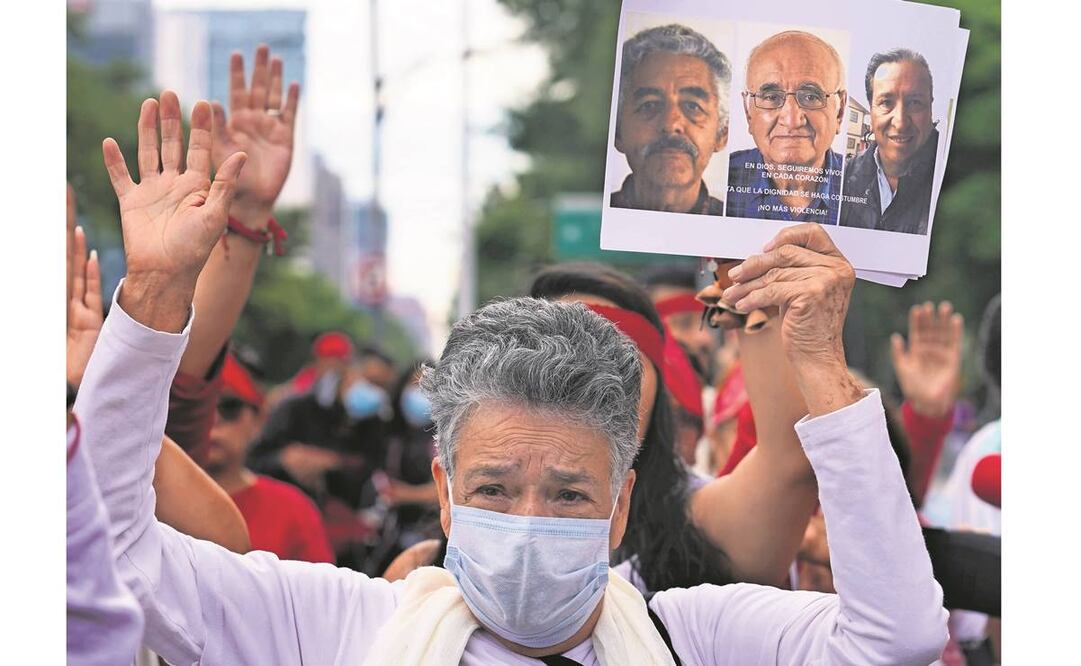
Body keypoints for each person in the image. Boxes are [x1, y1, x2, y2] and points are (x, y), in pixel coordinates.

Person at [77, 111, 948, 664]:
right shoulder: (339, 625)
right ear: (444, 493)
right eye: (494, 489)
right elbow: (115, 553)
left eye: (568, 494)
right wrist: (152, 297)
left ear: (620, 505)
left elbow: (896, 638)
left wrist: (820, 362)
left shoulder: (698, 637)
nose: (529, 522)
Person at [202, 353, 335, 563]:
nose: (213, 418)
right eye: (198, 404)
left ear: (259, 419)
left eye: (229, 406)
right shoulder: (149, 499)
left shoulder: (293, 511)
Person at [726, 31, 847, 224]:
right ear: (748, 112)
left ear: (840, 111)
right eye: (771, 97)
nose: (792, 120)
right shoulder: (724, 181)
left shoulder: (867, 189)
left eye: (811, 97)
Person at [611, 24, 731, 215]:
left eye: (693, 106)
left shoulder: (741, 227)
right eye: (649, 105)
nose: (671, 124)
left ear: (721, 134)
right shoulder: (593, 219)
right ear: (617, 132)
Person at [840, 48, 939, 235]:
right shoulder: (846, 176)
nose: (900, 122)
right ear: (870, 111)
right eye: (886, 102)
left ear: (930, 108)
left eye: (915, 102)